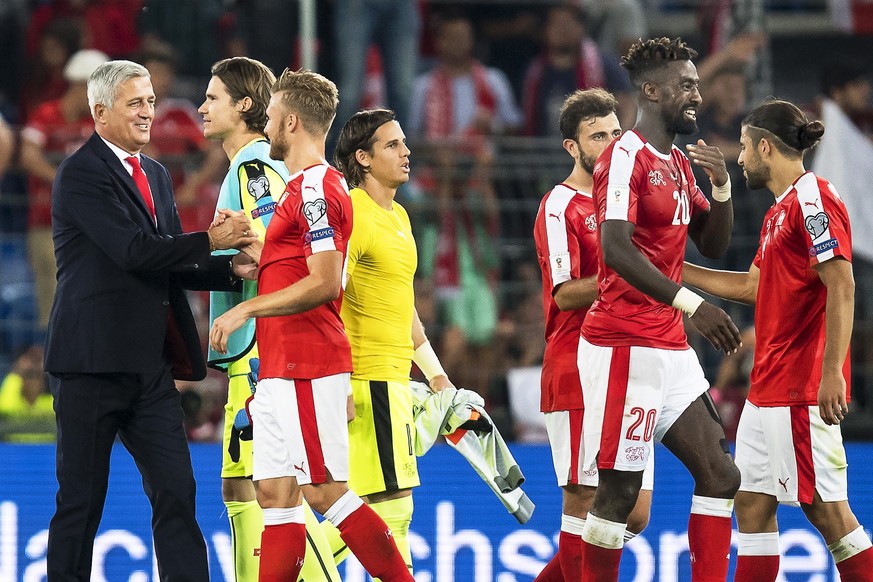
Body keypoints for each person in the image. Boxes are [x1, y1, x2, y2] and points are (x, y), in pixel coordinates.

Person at [44, 59, 258, 581]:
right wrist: (212, 240)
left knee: (177, 494)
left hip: (149, 370)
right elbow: (135, 252)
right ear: (100, 111)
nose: (149, 112)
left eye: (150, 101)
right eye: (135, 103)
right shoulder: (80, 174)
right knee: (81, 504)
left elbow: (169, 260)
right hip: (90, 368)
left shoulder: (156, 174)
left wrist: (234, 271)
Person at [208, 68, 413, 582]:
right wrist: (256, 255)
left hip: (308, 362)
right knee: (275, 498)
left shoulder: (319, 187)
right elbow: (301, 267)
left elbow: (325, 282)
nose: (267, 125)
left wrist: (245, 309)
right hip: (278, 367)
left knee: (324, 492)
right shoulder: (298, 190)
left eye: (272, 116)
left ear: (291, 121)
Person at [682, 99, 873, 582]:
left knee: (827, 513)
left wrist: (832, 373)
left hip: (799, 389)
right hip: (766, 392)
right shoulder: (779, 212)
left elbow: (842, 284)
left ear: (766, 147)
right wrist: (676, 270)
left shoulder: (814, 200)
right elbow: (752, 287)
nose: (740, 158)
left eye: (745, 148)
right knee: (750, 503)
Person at [577, 38, 742, 581]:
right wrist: (693, 302)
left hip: (667, 344)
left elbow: (712, 244)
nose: (698, 93)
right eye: (687, 84)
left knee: (720, 474)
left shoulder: (675, 162)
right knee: (620, 492)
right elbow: (616, 248)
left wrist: (720, 188)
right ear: (651, 90)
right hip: (625, 344)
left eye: (698, 83)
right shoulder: (623, 157)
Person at [199, 56, 339, 582]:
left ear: (245, 106)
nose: (201, 107)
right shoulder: (249, 163)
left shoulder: (255, 164)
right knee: (244, 489)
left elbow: (276, 253)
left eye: (213, 98)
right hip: (252, 349)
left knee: (276, 493)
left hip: (260, 350)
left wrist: (240, 247)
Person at [532, 88, 652, 581]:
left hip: (630, 361)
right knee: (584, 502)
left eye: (615, 133)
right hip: (578, 365)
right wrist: (626, 268)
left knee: (635, 510)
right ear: (571, 147)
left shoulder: (626, 202)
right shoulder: (560, 206)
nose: (609, 143)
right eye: (596, 135)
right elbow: (563, 294)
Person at [333, 108, 454, 574]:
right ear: (362, 158)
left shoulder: (399, 216)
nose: (406, 152)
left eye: (404, 142)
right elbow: (330, 299)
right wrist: (341, 380)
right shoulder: (355, 214)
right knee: (390, 509)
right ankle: (301, 566)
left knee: (380, 510)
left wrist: (439, 377)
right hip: (367, 382)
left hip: (394, 383)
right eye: (392, 145)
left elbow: (404, 311)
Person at [19, 48, 108, 330]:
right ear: (82, 86)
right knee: (56, 311)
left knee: (91, 309)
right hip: (49, 225)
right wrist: (65, 181)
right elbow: (28, 155)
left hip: (93, 230)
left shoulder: (97, 123)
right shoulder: (46, 114)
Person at [521, 4, 634, 136]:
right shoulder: (533, 73)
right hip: (541, 152)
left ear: (581, 28)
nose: (563, 30)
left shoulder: (604, 66)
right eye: (557, 24)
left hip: (595, 150)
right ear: (545, 31)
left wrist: (618, 141)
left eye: (569, 24)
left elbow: (627, 107)